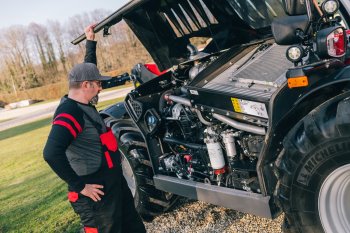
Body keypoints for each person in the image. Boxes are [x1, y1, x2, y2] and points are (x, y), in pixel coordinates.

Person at [43, 24, 146, 233]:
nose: (101, 87)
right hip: (96, 194)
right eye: (98, 84)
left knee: (134, 228)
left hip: (113, 184)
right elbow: (51, 153)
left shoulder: (83, 102)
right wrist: (81, 187)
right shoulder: (69, 113)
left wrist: (91, 41)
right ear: (85, 85)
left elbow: (88, 68)